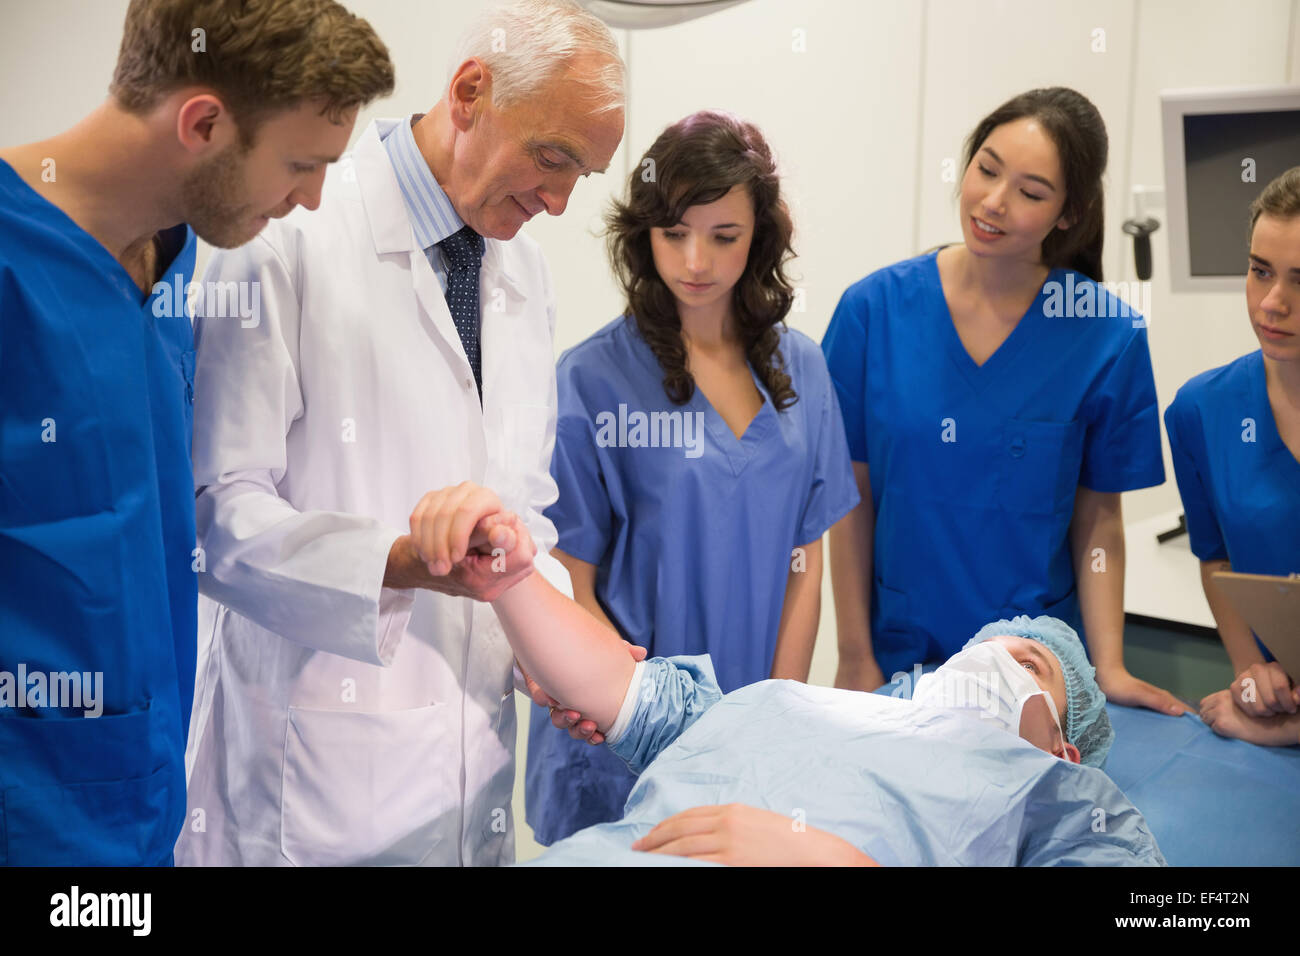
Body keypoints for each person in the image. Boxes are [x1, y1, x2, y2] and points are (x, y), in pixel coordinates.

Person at [177, 0, 628, 867]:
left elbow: (523, 511)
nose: (561, 202)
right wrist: (395, 562)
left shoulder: (521, 270)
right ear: (469, 93)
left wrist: (555, 650)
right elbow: (215, 516)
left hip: (470, 780)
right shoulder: (289, 229)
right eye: (553, 158)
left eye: (584, 175)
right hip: (309, 789)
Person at [0, 0, 392, 866]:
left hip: (142, 804)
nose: (313, 200)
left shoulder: (173, 261)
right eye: (300, 164)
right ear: (204, 122)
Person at [525, 110, 860, 844]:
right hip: (621, 739)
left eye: (723, 236)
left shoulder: (802, 370)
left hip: (754, 726)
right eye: (674, 233)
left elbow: (807, 562)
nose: (696, 261)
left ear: (760, 238)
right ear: (645, 234)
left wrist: (775, 716)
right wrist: (647, 720)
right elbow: (568, 583)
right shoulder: (591, 381)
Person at [473, 512, 1160, 866]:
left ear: (1064, 749)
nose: (992, 662)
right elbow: (615, 686)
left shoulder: (1059, 796)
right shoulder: (782, 704)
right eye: (981, 652)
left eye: (1029, 666)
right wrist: (506, 571)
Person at [821, 87, 1183, 716]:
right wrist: (854, 652)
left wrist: (1111, 666)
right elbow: (848, 498)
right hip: (902, 663)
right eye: (986, 169)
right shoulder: (872, 313)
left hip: (1034, 678)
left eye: (1031, 192)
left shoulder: (1105, 335)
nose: (993, 202)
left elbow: (1099, 520)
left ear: (1068, 214)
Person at [1166, 166, 1300, 748]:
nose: (1273, 303)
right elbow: (1217, 561)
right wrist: (1254, 679)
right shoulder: (1202, 410)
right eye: (1259, 271)